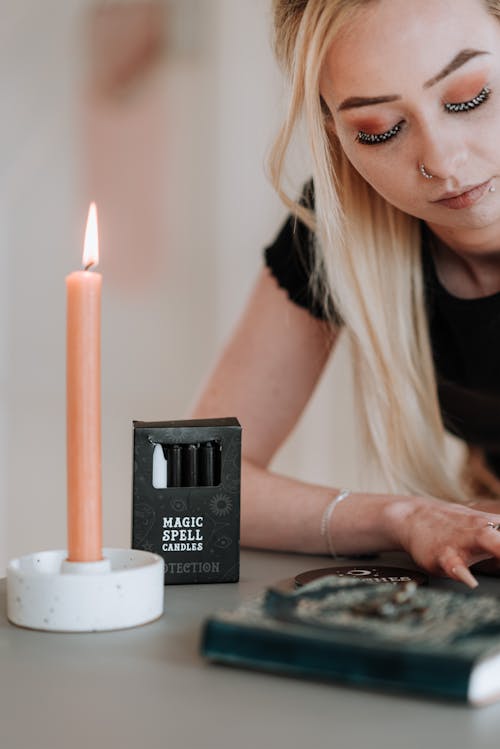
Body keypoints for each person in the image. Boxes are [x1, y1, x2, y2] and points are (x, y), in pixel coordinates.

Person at [190, 0, 500, 588]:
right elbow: (194, 487)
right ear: (336, 135)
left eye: (470, 97)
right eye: (379, 129)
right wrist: (402, 516)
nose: (442, 160)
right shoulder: (338, 232)